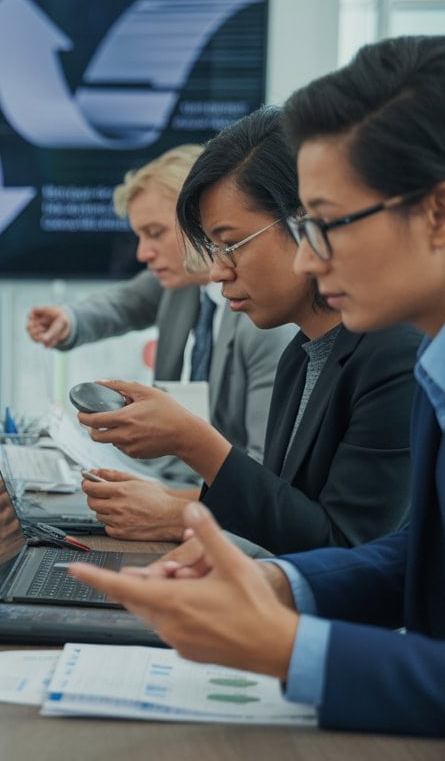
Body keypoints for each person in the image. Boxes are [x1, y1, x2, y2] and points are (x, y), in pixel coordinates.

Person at [71, 35, 445, 737]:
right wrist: (277, 585)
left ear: (440, 213)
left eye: (328, 225)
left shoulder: (405, 355)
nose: (309, 259)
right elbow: (420, 555)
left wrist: (285, 644)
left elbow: (350, 538)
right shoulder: (434, 359)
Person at [77, 107, 419, 554]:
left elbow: (343, 548)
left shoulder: (397, 356)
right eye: (213, 248)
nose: (218, 271)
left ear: (309, 223)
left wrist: (192, 442)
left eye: (230, 245)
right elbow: (282, 517)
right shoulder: (301, 354)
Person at [26, 145, 293, 471]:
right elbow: (124, 303)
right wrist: (70, 320)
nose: (143, 254)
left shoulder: (265, 320)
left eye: (155, 233)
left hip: (218, 493)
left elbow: (264, 474)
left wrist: (164, 499)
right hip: (169, 474)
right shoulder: (182, 282)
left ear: (200, 220)